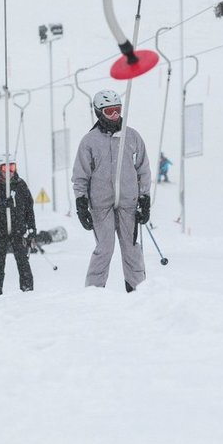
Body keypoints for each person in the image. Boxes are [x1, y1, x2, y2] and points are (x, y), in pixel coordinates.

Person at [72, 89, 151, 292]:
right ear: (99, 113)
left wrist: (144, 198)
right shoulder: (89, 141)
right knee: (104, 248)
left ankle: (138, 289)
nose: (115, 116)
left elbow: (143, 169)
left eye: (117, 110)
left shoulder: (131, 137)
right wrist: (81, 202)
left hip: (128, 204)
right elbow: (80, 175)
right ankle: (93, 290)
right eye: (110, 112)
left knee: (132, 249)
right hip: (101, 205)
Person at [0, 154, 35, 299]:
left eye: (12, 167)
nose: (9, 171)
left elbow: (29, 209)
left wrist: (32, 229)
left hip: (18, 229)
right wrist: (2, 205)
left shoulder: (20, 185)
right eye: (5, 167)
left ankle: (28, 291)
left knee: (22, 260)